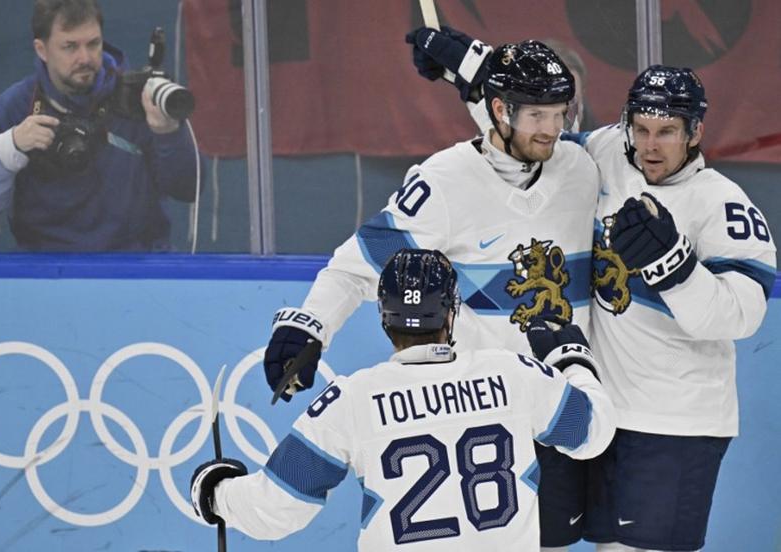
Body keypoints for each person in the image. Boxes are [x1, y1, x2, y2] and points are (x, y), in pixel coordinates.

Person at [409, 28, 778, 552]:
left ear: (695, 132)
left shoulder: (722, 205)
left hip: (671, 424)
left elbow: (743, 316)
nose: (650, 146)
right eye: (641, 128)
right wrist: (473, 69)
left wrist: (675, 267)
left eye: (667, 132)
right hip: (596, 412)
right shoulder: (605, 154)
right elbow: (533, 134)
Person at [263, 34, 601, 551]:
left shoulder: (582, 167)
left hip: (562, 407)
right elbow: (356, 269)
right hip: (489, 420)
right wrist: (307, 326)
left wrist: (474, 62)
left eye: (560, 112)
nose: (553, 128)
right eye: (537, 115)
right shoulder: (443, 184)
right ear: (499, 111)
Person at [192, 249, 616, 551]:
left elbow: (278, 507)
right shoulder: (512, 374)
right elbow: (592, 432)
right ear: (452, 313)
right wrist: (572, 360)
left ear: (382, 317)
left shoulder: (351, 399)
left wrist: (215, 493)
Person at [0, 0, 198, 252]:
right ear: (42, 49)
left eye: (93, 44)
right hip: (45, 273)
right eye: (69, 46)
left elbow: (188, 189)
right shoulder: (15, 107)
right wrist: (10, 147)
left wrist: (168, 133)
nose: (85, 58)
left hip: (138, 268)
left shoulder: (138, 100)